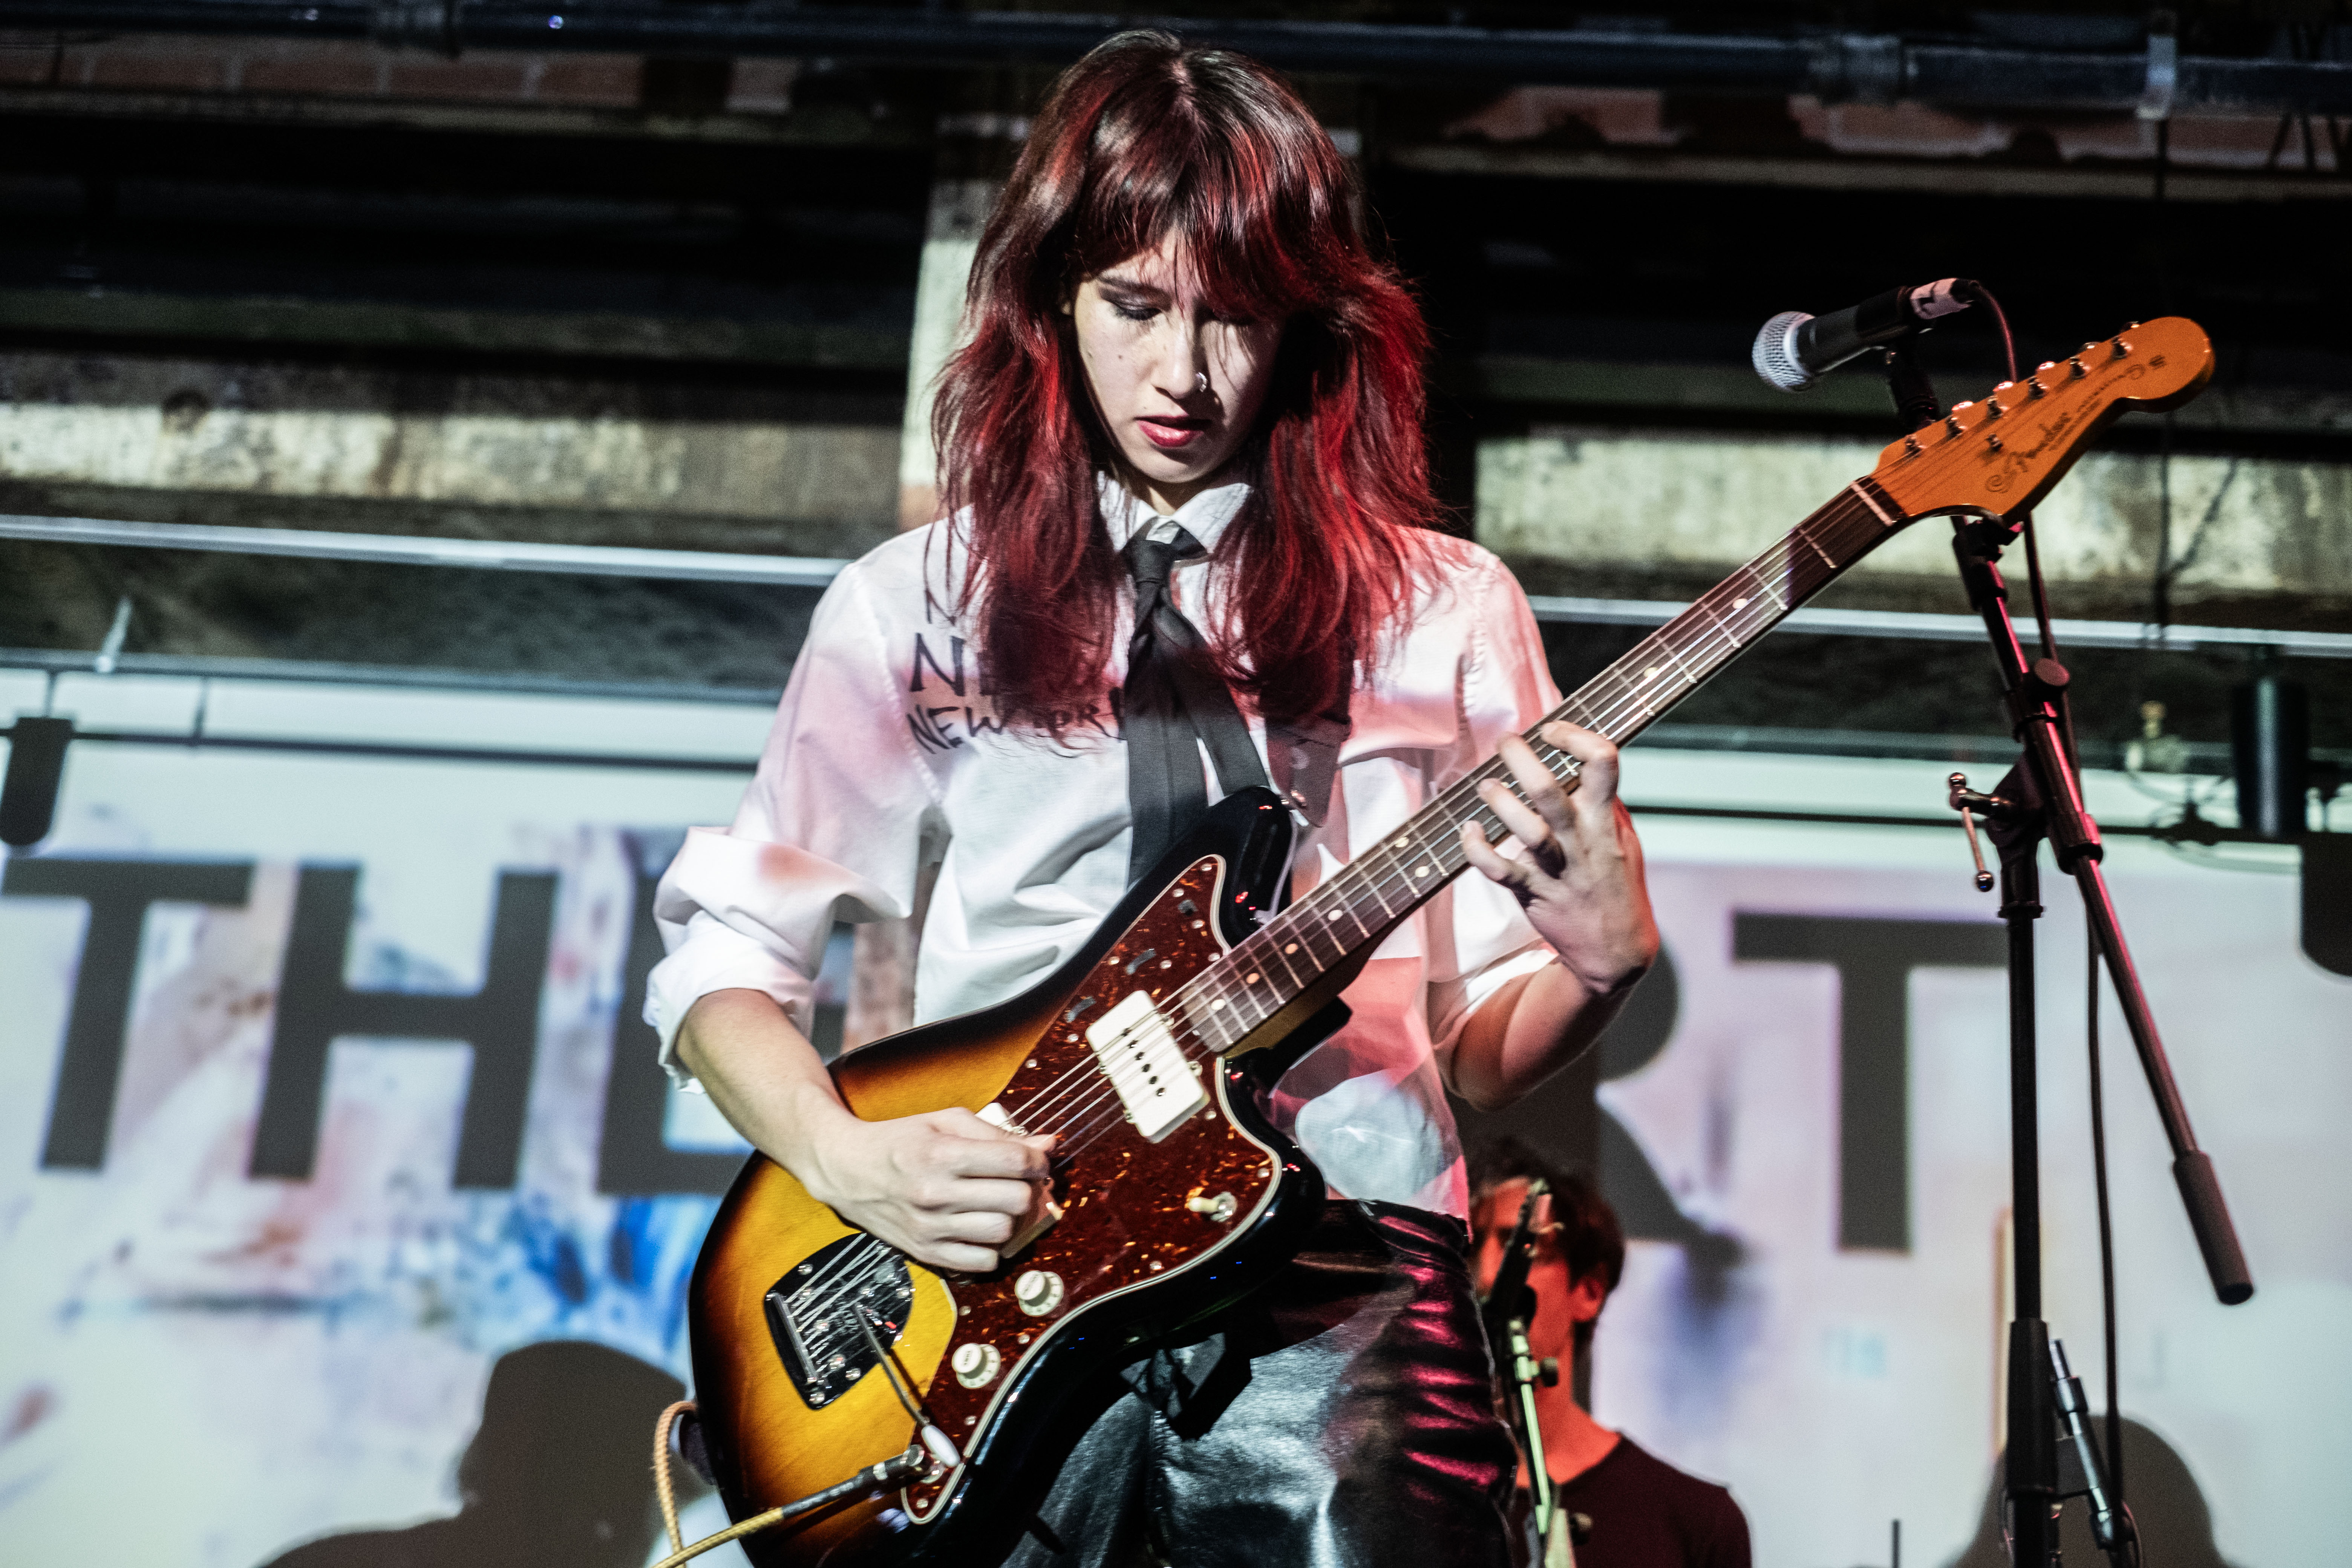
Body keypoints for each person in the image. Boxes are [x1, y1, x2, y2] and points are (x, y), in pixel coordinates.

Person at [645, 30, 1658, 1568]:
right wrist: (852, 1163)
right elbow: (729, 959)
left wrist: (1599, 962)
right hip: (1012, 1259)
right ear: (1054, 299)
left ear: (1306, 328)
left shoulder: (1446, 608)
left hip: (1346, 1268)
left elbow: (1475, 1041)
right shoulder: (917, 600)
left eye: (1234, 320)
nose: (1184, 373)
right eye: (1135, 307)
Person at [1469, 1140, 1751, 1568]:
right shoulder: (1407, 1499)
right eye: (1467, 1250)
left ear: (1588, 1290)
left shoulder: (1696, 1521)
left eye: (1518, 1248)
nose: (1485, 1274)